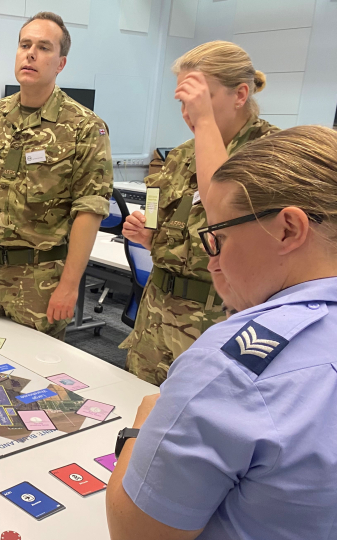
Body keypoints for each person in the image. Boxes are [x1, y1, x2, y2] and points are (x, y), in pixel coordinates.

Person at [106, 125, 337, 540]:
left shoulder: (232, 365)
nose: (213, 264)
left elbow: (135, 531)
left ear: (288, 228)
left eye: (221, 238)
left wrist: (143, 424)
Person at [0, 11, 112, 340]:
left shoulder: (86, 127)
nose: (31, 53)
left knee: (32, 377)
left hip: (41, 278)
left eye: (44, 47)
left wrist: (69, 285)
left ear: (60, 63)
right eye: (25, 45)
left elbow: (89, 210)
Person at [120, 41, 279, 385]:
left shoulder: (271, 155)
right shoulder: (180, 156)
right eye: (184, 103)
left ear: (240, 95)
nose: (188, 114)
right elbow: (165, 224)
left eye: (198, 101)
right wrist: (149, 237)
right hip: (157, 314)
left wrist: (205, 121)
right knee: (140, 409)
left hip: (218, 318)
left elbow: (224, 210)